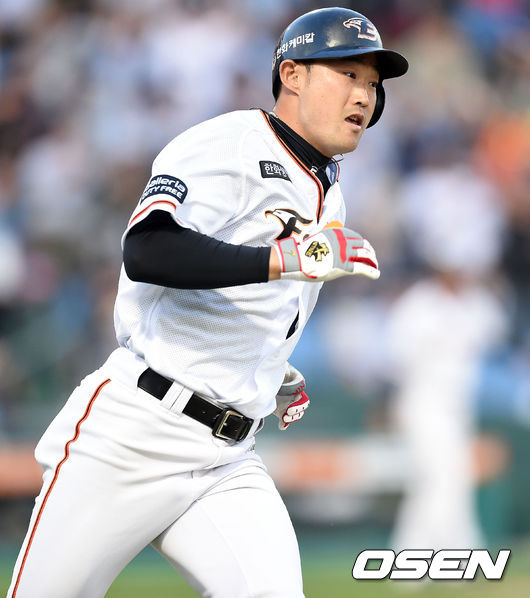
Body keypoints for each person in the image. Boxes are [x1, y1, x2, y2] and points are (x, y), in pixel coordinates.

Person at [8, 7, 407, 598]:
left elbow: (256, 300)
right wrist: (284, 258)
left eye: (372, 83)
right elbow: (148, 249)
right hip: (136, 431)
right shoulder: (231, 143)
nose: (364, 95)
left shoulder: (330, 193)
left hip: (226, 455)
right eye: (348, 74)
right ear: (292, 74)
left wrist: (268, 370)